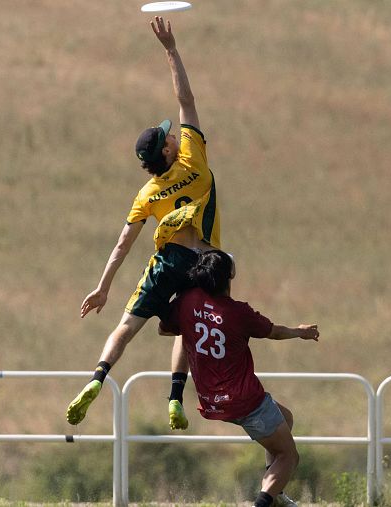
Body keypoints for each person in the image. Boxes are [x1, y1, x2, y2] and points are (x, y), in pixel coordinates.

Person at [65, 16, 220, 428]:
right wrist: (170, 50)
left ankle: (98, 377)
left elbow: (123, 245)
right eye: (168, 135)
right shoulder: (193, 159)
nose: (173, 133)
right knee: (189, 326)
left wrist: (102, 288)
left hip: (166, 261)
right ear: (169, 151)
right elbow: (186, 99)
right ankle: (174, 398)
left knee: (125, 326)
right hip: (203, 263)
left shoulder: (147, 195)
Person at [158, 250, 319, 507]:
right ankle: (265, 501)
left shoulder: (187, 301)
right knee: (288, 456)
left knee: (285, 418)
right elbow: (274, 333)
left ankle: (274, 494)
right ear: (230, 275)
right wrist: (299, 332)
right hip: (245, 401)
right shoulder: (238, 312)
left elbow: (164, 329)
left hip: (212, 401)